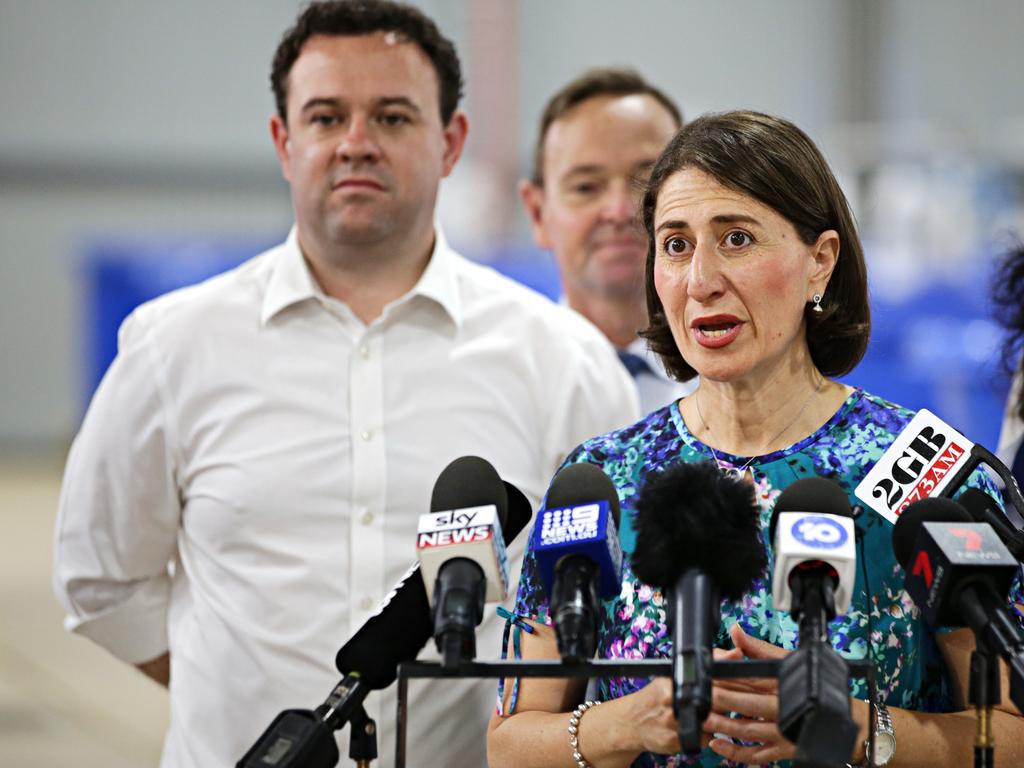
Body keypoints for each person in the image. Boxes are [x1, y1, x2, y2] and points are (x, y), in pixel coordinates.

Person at [52, 2, 638, 767]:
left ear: (451, 141)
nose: (356, 144)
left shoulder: (563, 360)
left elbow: (612, 604)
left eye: (393, 117)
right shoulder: (174, 347)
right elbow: (101, 581)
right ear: (283, 141)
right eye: (326, 117)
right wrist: (224, 683)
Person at [488, 111, 1024, 767]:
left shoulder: (927, 475)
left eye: (737, 239)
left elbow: (1014, 731)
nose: (700, 280)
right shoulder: (603, 477)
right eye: (676, 245)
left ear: (820, 262)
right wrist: (628, 723)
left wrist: (859, 729)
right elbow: (510, 743)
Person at [520, 68, 696, 415]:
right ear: (538, 213)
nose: (619, 210)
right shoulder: (502, 384)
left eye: (647, 180)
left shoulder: (752, 387)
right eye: (586, 187)